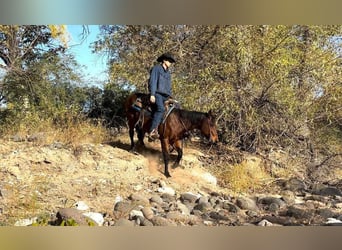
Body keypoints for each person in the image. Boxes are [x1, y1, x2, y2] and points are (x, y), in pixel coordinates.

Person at [147, 52, 176, 141]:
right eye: (169, 61)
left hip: (166, 96)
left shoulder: (168, 73)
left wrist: (171, 97)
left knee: (176, 108)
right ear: (164, 60)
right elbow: (153, 81)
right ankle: (152, 131)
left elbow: (169, 86)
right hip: (157, 94)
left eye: (171, 61)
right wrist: (152, 94)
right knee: (160, 109)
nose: (170, 63)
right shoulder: (156, 68)